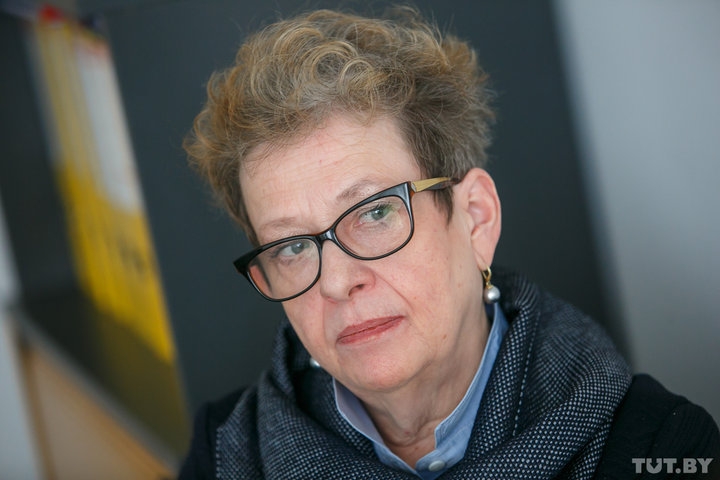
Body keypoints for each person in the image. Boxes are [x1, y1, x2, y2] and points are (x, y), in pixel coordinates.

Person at [179, 8, 719, 479]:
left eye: (375, 212)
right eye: (292, 247)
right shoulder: (226, 453)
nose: (339, 282)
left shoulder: (660, 447)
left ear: (475, 219)